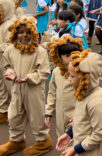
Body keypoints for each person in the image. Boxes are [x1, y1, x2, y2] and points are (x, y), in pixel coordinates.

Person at [0, 18, 53, 155]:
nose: (24, 35)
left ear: (33, 34)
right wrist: (11, 73)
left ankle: (43, 141)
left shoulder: (39, 51)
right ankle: (16, 141)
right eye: (21, 32)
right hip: (16, 88)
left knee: (37, 116)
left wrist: (29, 78)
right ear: (15, 33)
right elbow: (7, 66)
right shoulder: (10, 50)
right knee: (14, 115)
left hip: (33, 89)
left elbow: (44, 71)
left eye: (28, 32)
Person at [56, 50, 102, 156]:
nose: (69, 79)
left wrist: (75, 149)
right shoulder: (84, 94)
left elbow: (99, 134)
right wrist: (69, 134)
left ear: (86, 78)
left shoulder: (98, 102)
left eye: (72, 76)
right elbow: (82, 120)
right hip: (83, 149)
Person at [45, 36, 84, 139]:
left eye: (74, 54)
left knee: (76, 139)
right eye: (67, 55)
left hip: (76, 115)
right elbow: (52, 92)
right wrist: (49, 112)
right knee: (62, 137)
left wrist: (80, 115)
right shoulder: (57, 72)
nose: (71, 58)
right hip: (60, 115)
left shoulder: (82, 72)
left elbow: (87, 95)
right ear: (59, 56)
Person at [0, 0, 17, 124]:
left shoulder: (10, 24)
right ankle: (3, 109)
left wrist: (1, 46)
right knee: (1, 86)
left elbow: (12, 44)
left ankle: (18, 111)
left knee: (11, 86)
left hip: (9, 61)